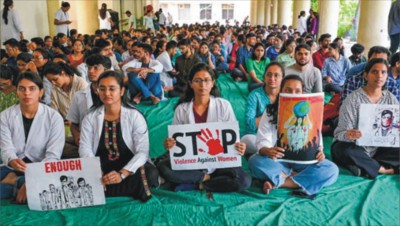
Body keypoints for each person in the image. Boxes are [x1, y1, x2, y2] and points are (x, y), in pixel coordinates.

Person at [157, 63, 251, 193]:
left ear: (212, 83)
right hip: (191, 163)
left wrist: (239, 146)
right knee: (163, 166)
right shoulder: (182, 109)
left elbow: (232, 138)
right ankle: (207, 179)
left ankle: (197, 184)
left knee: (243, 180)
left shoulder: (223, 105)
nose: (202, 85)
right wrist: (170, 144)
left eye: (207, 80)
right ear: (190, 83)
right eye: (198, 81)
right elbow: (176, 141)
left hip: (218, 162)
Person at [248, 75, 338, 197]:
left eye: (297, 91)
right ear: (281, 91)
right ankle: (299, 179)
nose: (293, 94)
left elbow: (316, 138)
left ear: (302, 92)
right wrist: (267, 150)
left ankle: (282, 182)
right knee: (255, 161)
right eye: (288, 90)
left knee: (331, 170)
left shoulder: (311, 112)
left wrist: (320, 151)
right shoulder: (271, 111)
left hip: (304, 163)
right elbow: (263, 140)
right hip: (278, 161)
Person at [79, 71, 157, 202]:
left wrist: (122, 174)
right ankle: (123, 188)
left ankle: (106, 189)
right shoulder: (90, 118)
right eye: (102, 89)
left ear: (121, 91)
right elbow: (85, 148)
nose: (107, 93)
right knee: (80, 175)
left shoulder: (134, 116)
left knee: (149, 173)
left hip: (127, 167)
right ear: (97, 91)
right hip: (102, 167)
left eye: (112, 88)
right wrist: (96, 172)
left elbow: (142, 152)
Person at [0, 72, 65, 202]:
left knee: (55, 187)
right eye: (22, 89)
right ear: (16, 91)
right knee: (37, 191)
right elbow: (6, 148)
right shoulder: (5, 116)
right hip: (12, 167)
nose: (27, 93)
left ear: (41, 92)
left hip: (42, 168)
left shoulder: (54, 118)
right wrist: (12, 159)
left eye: (32, 88)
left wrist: (33, 180)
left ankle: (13, 184)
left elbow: (53, 155)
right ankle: (16, 181)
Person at [332, 58, 400, 178]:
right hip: (355, 147)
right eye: (374, 72)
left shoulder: (391, 99)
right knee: (342, 149)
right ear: (366, 76)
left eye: (383, 72)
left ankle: (362, 166)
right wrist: (349, 134)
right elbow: (339, 134)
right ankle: (382, 169)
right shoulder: (353, 99)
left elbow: (395, 127)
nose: (379, 76)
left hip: (379, 148)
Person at [66, 54, 111, 149]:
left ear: (106, 70)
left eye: (96, 68)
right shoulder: (79, 96)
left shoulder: (115, 95)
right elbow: (74, 123)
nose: (90, 71)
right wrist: (77, 137)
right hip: (87, 142)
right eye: (89, 67)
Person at [241, 62, 284, 155]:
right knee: (246, 140)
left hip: (281, 137)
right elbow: (250, 124)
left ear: (282, 78)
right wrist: (272, 115)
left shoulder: (286, 96)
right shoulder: (255, 95)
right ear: (264, 77)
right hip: (258, 136)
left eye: (276, 75)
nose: (272, 78)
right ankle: (267, 152)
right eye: (269, 75)